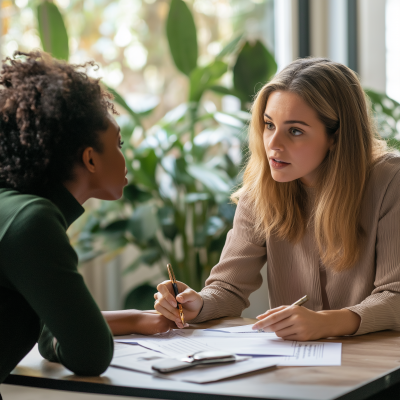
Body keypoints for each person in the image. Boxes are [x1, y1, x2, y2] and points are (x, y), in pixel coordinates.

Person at [154, 58, 400, 341]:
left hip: (381, 367)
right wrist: (197, 304)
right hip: (296, 366)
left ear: (336, 137)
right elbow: (228, 289)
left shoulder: (390, 182)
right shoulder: (260, 191)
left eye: (295, 131)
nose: (273, 144)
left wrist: (326, 323)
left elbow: (396, 296)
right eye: (269, 125)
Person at [0, 51, 174, 384]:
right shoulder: (31, 221)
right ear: (90, 159)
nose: (126, 158)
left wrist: (139, 320)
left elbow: (53, 322)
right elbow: (90, 354)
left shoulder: (13, 210)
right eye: (119, 144)